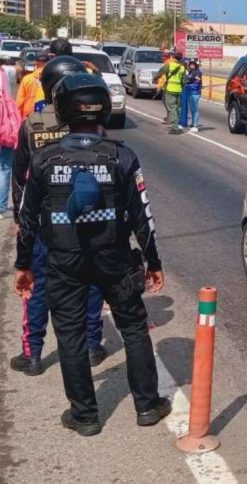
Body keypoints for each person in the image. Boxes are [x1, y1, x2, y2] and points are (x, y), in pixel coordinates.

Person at [14, 72, 171, 436]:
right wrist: (154, 262)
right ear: (103, 111)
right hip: (114, 259)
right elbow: (142, 215)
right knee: (133, 327)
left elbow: (28, 218)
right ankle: (148, 406)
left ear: (62, 110)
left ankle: (84, 416)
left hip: (63, 261)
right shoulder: (121, 156)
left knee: (68, 334)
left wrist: (24, 265)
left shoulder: (44, 160)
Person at [10, 56, 109, 376]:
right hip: (86, 218)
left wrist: (17, 217)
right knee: (90, 283)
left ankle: (33, 354)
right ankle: (93, 346)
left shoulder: (33, 124)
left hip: (41, 220)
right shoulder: (92, 124)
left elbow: (19, 174)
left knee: (36, 286)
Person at [0, 61, 21, 220]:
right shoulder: (6, 72)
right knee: (5, 169)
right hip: (6, 129)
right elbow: (20, 68)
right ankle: (1, 208)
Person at [154, 50, 185, 134]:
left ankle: (175, 127)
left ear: (174, 57)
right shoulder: (182, 67)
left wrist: (155, 78)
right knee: (178, 108)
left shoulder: (169, 65)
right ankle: (176, 123)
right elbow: (184, 80)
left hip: (170, 89)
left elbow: (160, 72)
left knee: (172, 108)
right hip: (179, 90)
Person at [16, 54, 48, 118]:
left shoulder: (27, 79)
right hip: (47, 116)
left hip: (28, 116)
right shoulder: (52, 78)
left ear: (35, 64)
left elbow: (19, 102)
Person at [184, 59, 203, 132]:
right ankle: (192, 123)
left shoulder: (198, 72)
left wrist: (188, 85)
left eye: (193, 64)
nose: (192, 65)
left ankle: (196, 125)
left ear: (196, 65)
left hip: (195, 93)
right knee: (192, 109)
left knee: (195, 109)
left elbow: (197, 83)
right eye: (191, 64)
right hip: (189, 92)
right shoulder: (191, 72)